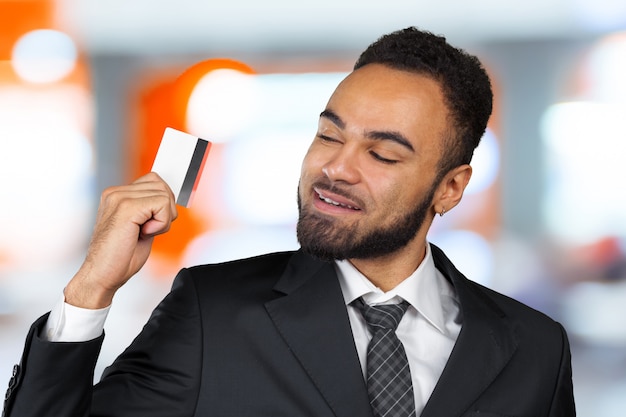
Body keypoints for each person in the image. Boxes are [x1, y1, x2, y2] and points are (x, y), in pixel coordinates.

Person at [3, 27, 575, 417]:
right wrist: (89, 292)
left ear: (450, 188)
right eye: (328, 135)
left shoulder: (535, 349)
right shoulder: (212, 313)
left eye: (382, 154)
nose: (335, 168)